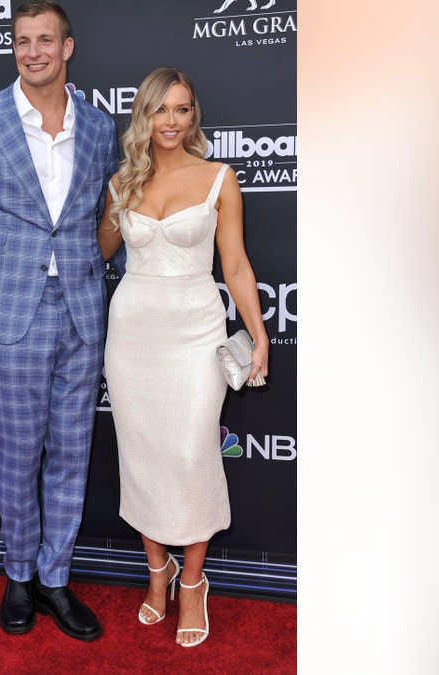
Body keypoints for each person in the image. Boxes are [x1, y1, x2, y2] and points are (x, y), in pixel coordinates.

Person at [0, 1, 118, 642]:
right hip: (9, 314)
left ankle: (55, 578)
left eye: (46, 40)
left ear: (68, 48)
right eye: (22, 40)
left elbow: (107, 219)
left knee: (73, 452)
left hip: (80, 312)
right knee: (18, 455)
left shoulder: (99, 129)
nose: (33, 51)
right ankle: (18, 575)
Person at [98, 67, 270, 647]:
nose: (171, 121)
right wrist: (104, 205)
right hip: (132, 335)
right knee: (142, 455)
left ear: (194, 117)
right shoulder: (124, 181)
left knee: (193, 453)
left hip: (195, 333)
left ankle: (193, 582)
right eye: (160, 110)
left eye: (182, 110)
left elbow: (237, 266)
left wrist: (258, 332)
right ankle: (157, 572)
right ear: (142, 116)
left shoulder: (220, 179)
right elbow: (99, 249)